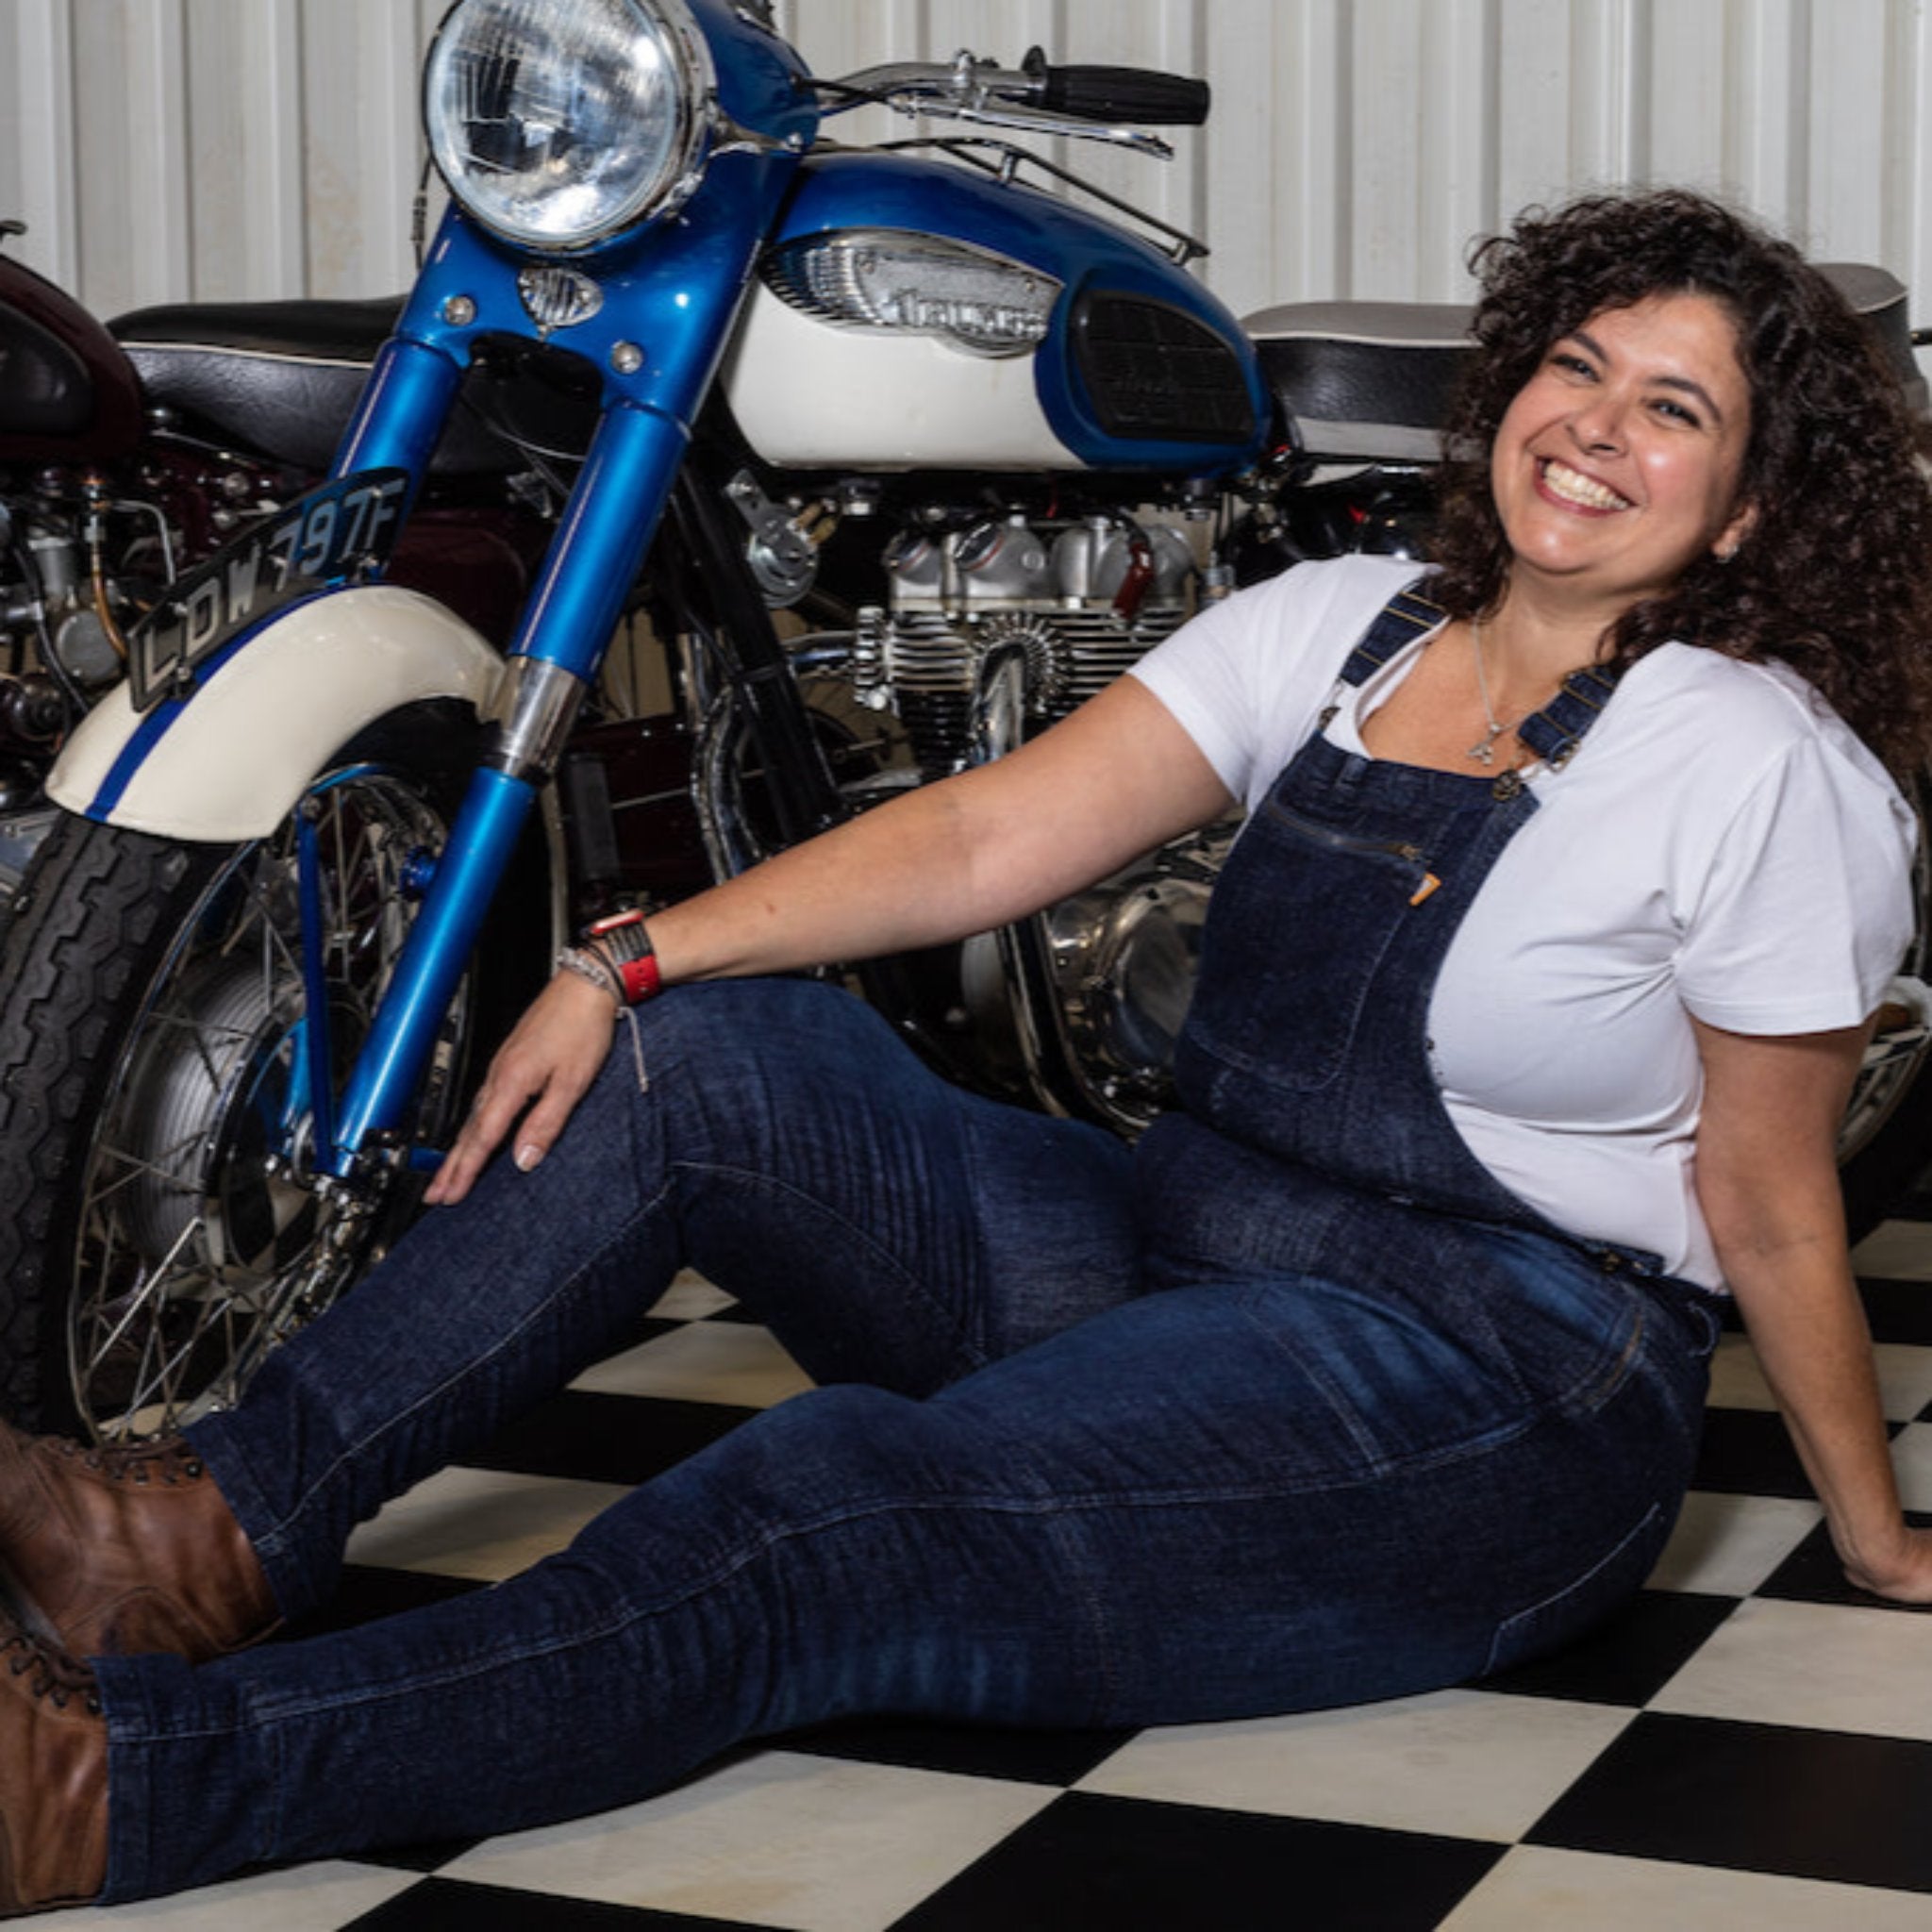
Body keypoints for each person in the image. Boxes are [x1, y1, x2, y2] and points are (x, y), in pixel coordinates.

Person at [5, 185, 1932, 1918]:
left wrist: (1869, 1532)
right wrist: (628, 956)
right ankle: (184, 1532)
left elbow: (1762, 1196)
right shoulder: (1347, 628)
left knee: (834, 1500)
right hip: (1178, 1257)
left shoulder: (1757, 766)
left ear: (1745, 510)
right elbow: (984, 836)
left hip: (1484, 1388)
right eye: (1579, 368)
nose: (1595, 425)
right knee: (715, 1053)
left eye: (1671, 410)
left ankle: (124, 1787)